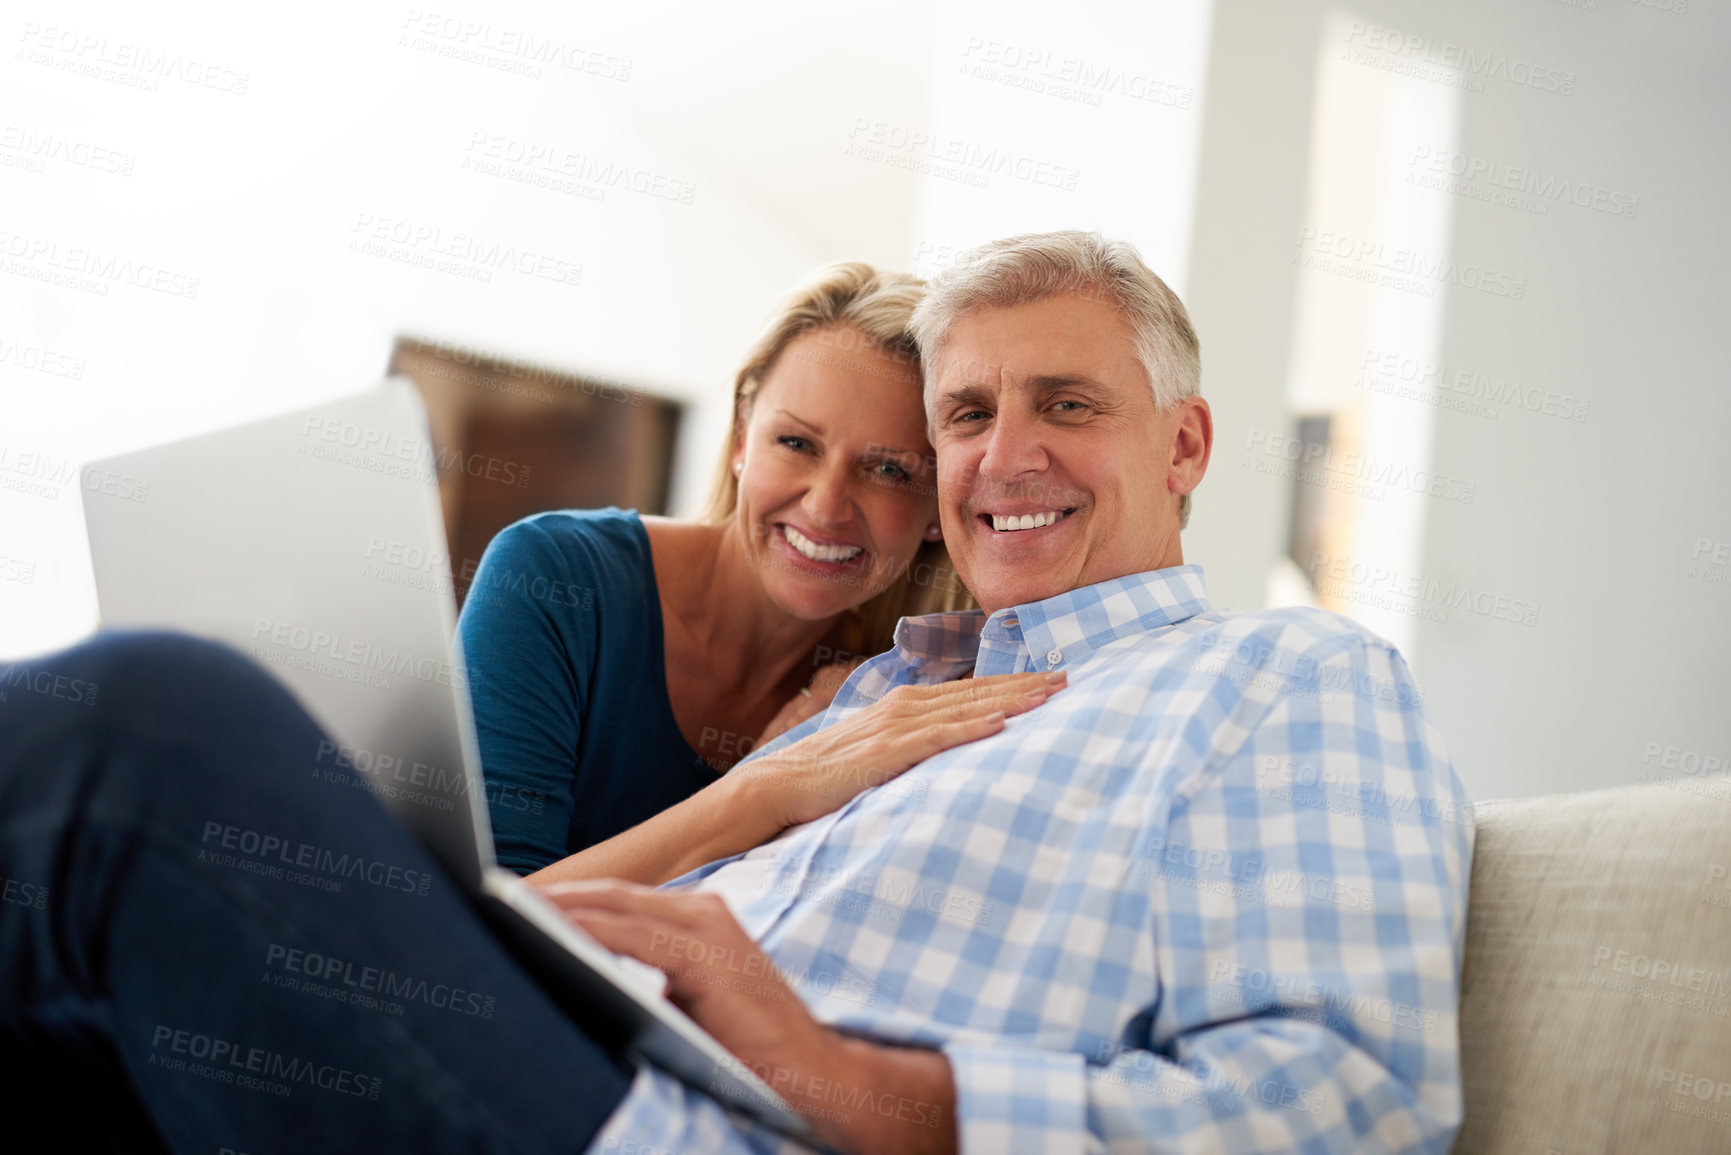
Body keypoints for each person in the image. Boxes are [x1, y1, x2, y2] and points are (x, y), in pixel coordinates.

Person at [0, 231, 1473, 1154]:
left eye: (1067, 405)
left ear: (1186, 444)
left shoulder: (1286, 674)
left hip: (680, 1126)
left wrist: (841, 1075)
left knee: (157, 726)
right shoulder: (869, 693)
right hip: (568, 1051)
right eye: (964, 413)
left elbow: (1350, 1097)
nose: (999, 454)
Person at [457, 261, 1062, 885]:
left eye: (889, 470)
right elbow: (490, 914)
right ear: (744, 435)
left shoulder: (887, 694)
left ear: (937, 503)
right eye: (796, 443)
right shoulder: (555, 576)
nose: (826, 506)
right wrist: (766, 789)